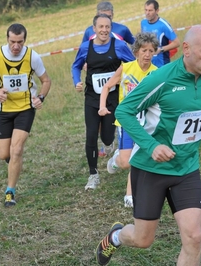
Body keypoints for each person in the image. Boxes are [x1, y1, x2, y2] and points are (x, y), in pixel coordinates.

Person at [95, 25, 201, 266]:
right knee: (142, 239)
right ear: (186, 49)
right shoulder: (161, 78)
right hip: (150, 170)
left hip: (186, 169)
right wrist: (151, 145)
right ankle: (115, 236)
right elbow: (124, 110)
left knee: (194, 237)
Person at [0, 23, 51, 207]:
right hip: (4, 110)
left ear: (25, 40)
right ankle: (15, 163)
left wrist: (40, 97)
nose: (15, 46)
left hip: (25, 108)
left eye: (20, 42)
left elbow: (46, 80)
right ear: (7, 39)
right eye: (12, 42)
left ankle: (10, 192)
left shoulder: (33, 56)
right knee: (4, 154)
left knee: (16, 150)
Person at [71, 14, 135, 190]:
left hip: (113, 98)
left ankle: (109, 144)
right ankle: (93, 174)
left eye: (107, 27)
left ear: (111, 28)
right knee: (91, 134)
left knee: (107, 136)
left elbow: (133, 65)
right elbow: (76, 65)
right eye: (101, 27)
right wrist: (76, 80)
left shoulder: (120, 46)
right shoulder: (86, 48)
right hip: (92, 98)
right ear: (94, 29)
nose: (104, 30)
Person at [98, 32, 159, 208]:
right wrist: (102, 106)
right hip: (127, 120)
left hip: (147, 121)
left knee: (138, 157)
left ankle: (130, 195)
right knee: (125, 162)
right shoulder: (126, 68)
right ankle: (115, 160)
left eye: (150, 51)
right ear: (136, 51)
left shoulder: (157, 73)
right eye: (143, 50)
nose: (147, 54)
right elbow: (107, 86)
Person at [82, 1, 135, 157]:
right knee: (95, 120)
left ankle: (109, 139)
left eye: (108, 18)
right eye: (101, 17)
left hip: (114, 86)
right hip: (94, 88)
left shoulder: (122, 29)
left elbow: (133, 47)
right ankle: (105, 139)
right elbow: (85, 51)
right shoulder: (89, 32)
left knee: (109, 125)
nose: (104, 27)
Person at [141, 0, 180, 68]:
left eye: (150, 10)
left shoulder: (163, 25)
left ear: (157, 11)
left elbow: (177, 43)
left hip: (162, 64)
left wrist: (161, 49)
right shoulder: (143, 23)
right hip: (148, 63)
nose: (147, 13)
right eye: (146, 10)